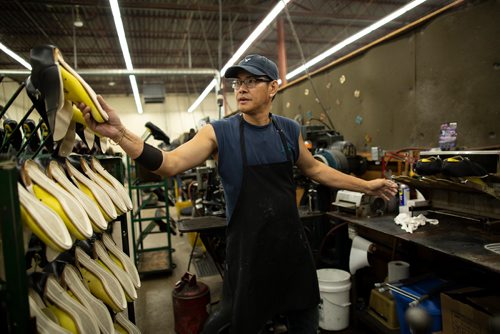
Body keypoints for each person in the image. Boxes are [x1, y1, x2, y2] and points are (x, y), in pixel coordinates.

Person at [78, 54, 398, 333]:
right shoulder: (219, 133)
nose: (241, 88)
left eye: (252, 81)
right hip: (248, 255)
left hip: (291, 251)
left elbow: (316, 169)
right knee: (244, 323)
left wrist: (367, 185)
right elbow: (169, 163)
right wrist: (119, 134)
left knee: (305, 322)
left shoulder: (288, 130)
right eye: (237, 83)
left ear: (273, 87)